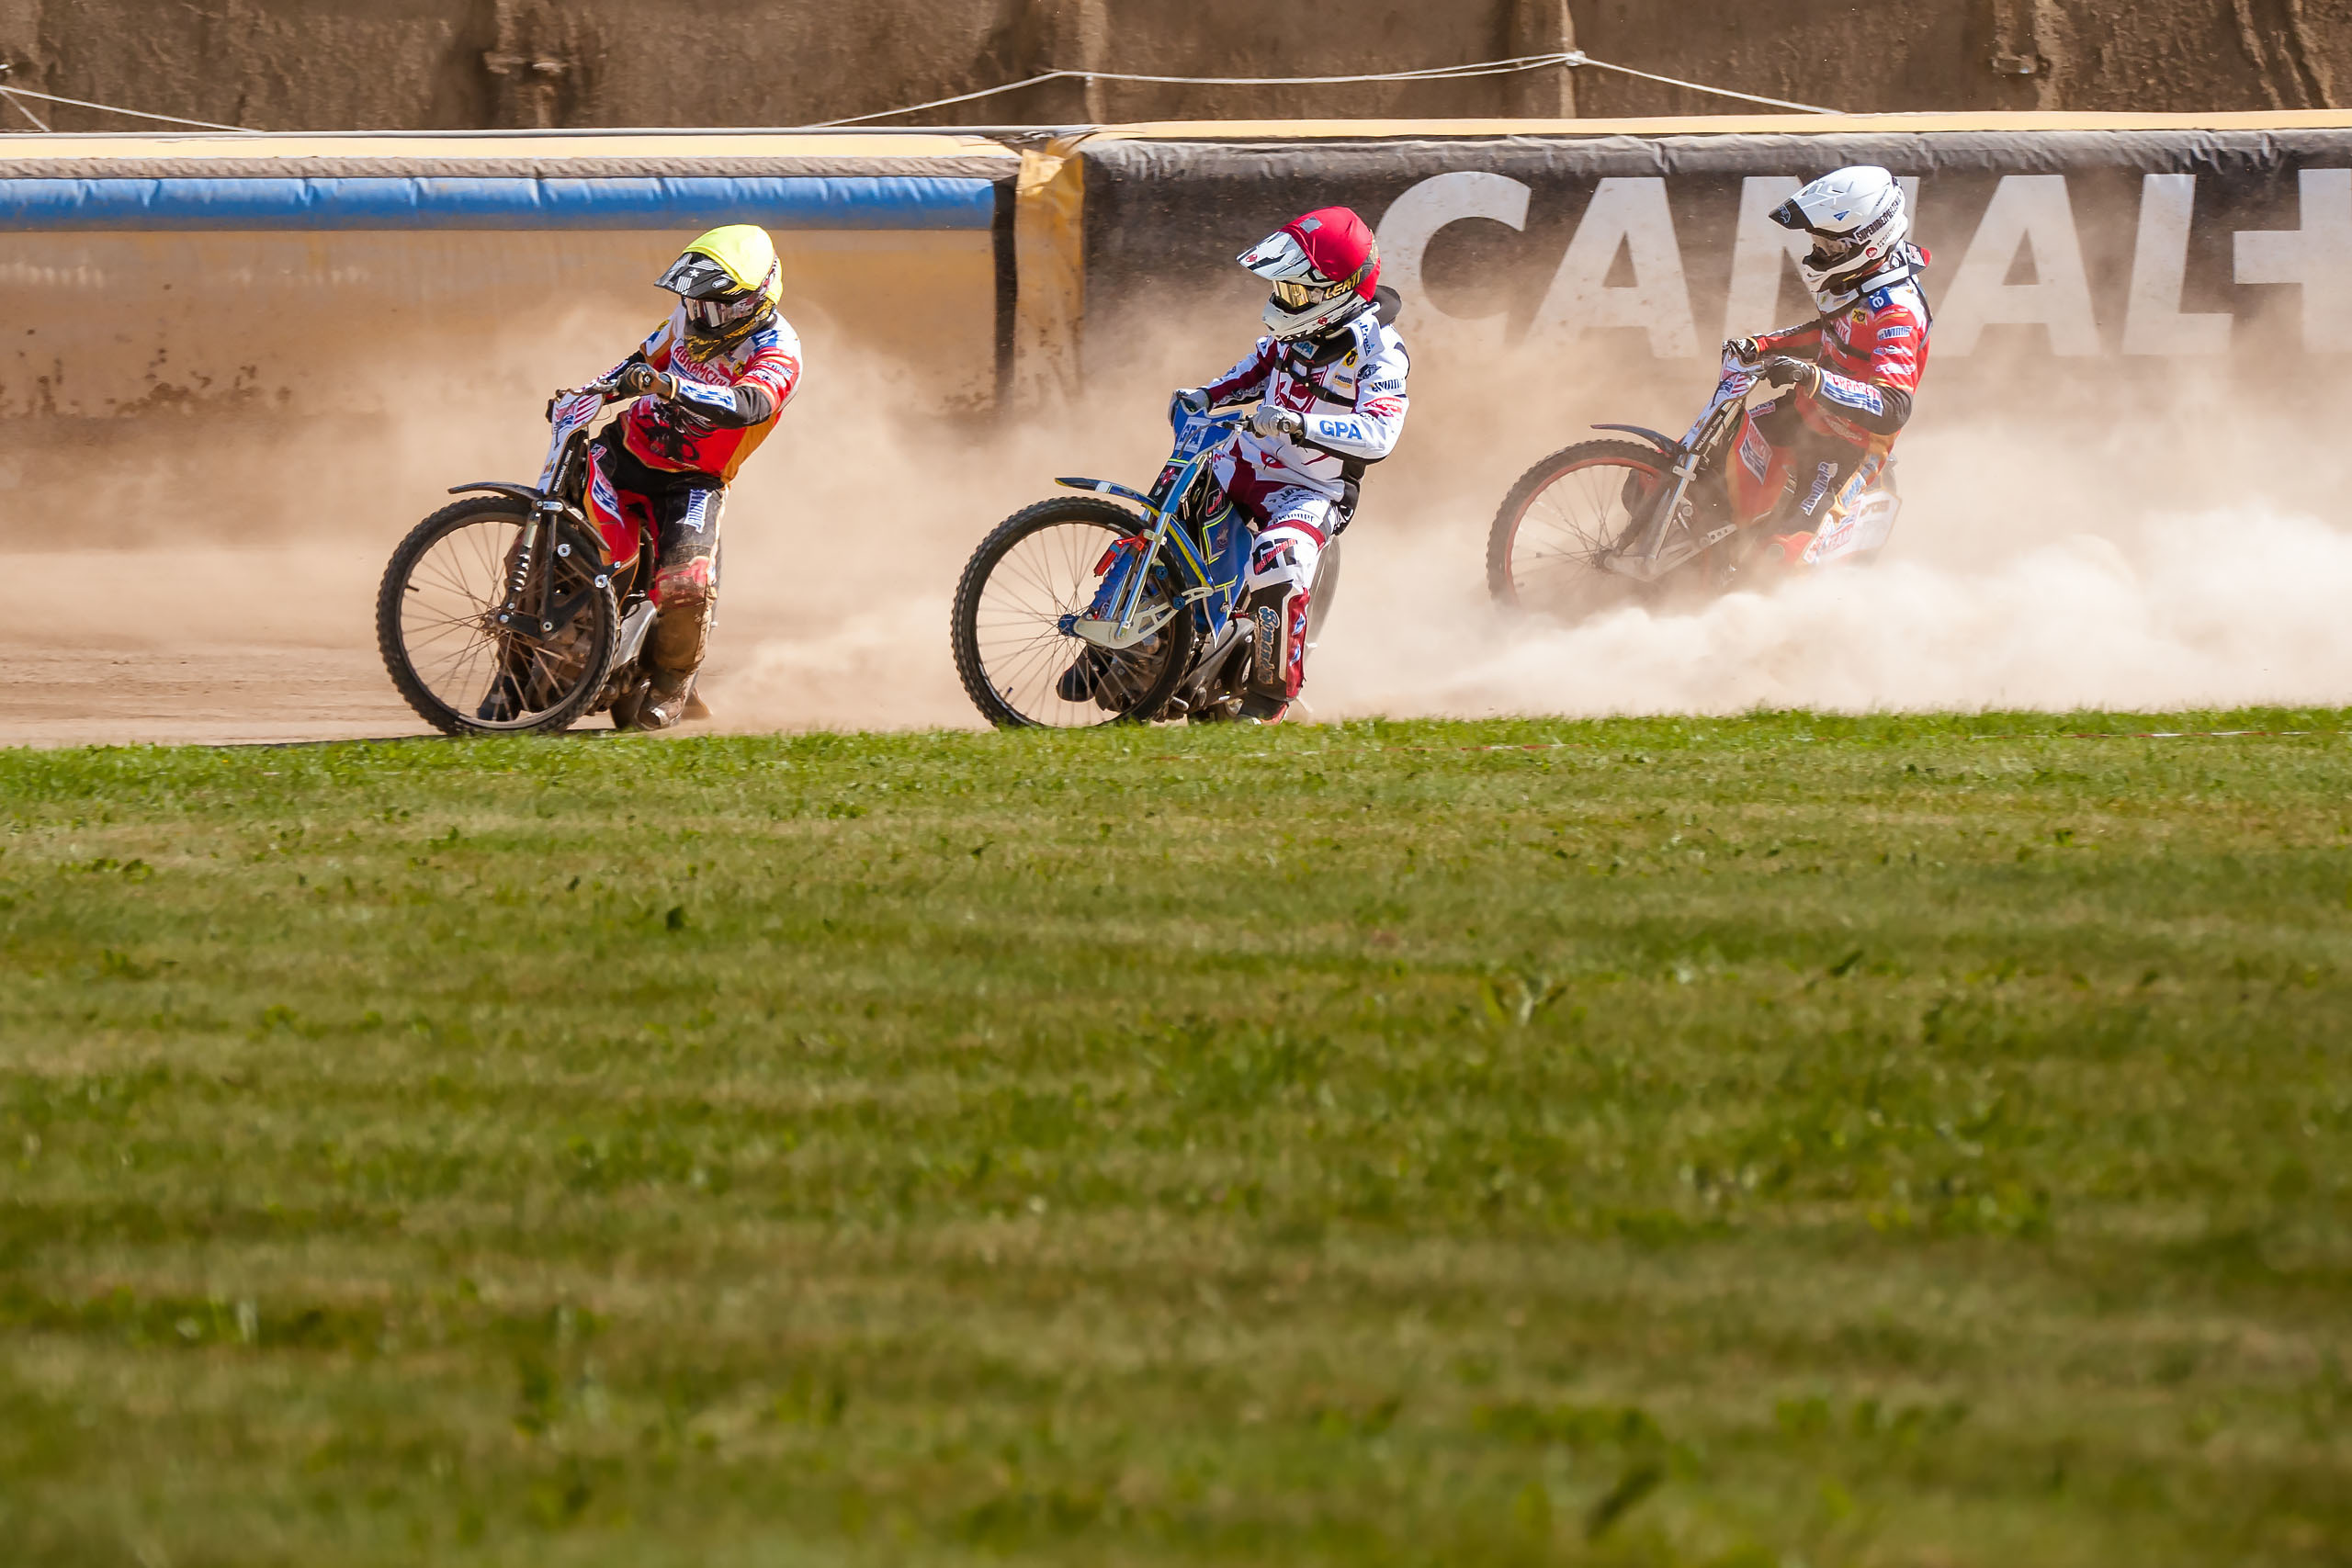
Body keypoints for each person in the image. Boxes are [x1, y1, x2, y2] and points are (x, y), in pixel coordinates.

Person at [1166, 205, 1410, 720]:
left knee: (1279, 556)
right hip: (1250, 459)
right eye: (1282, 288)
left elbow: (1380, 433)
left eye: (1295, 292)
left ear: (1335, 293)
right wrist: (1205, 396)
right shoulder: (1294, 331)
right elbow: (1257, 367)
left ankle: (1268, 699)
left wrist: (1300, 425)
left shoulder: (1380, 352)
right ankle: (1122, 647)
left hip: (1311, 488)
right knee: (1175, 498)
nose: (1281, 300)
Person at [574, 224, 802, 729]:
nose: (698, 315)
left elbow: (750, 405)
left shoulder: (780, 349)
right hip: (623, 452)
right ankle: (518, 653)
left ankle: (675, 683)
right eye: (694, 302)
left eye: (713, 306)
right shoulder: (684, 317)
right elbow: (638, 364)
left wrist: (673, 387)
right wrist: (587, 395)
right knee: (548, 529)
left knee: (687, 585)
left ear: (752, 303)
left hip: (693, 483)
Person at [1724, 165, 1929, 562]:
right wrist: (1761, 345)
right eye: (1818, 241)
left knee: (1780, 560)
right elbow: (1831, 335)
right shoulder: (1862, 279)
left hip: (1849, 446)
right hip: (1804, 412)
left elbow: (1892, 408)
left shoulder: (1897, 313)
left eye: (1830, 247)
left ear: (1870, 242)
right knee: (1708, 464)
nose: (1820, 253)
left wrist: (1812, 378)